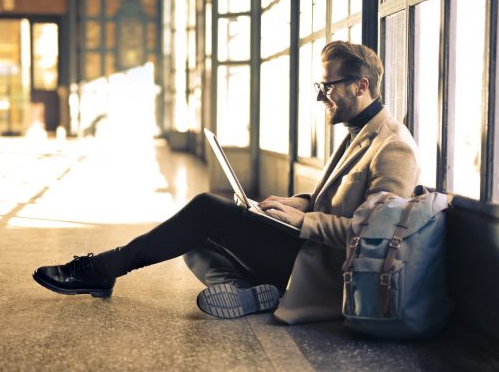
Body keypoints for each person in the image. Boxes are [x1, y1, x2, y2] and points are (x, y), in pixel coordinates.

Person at [33, 41, 420, 323]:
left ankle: (103, 268)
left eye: (327, 86)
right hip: (305, 250)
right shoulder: (360, 131)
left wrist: (301, 222)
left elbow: (376, 237)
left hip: (323, 271)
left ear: (361, 85)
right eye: (319, 87)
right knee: (190, 241)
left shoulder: (392, 147)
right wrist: (297, 203)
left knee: (205, 209)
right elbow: (336, 199)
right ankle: (246, 292)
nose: (321, 97)